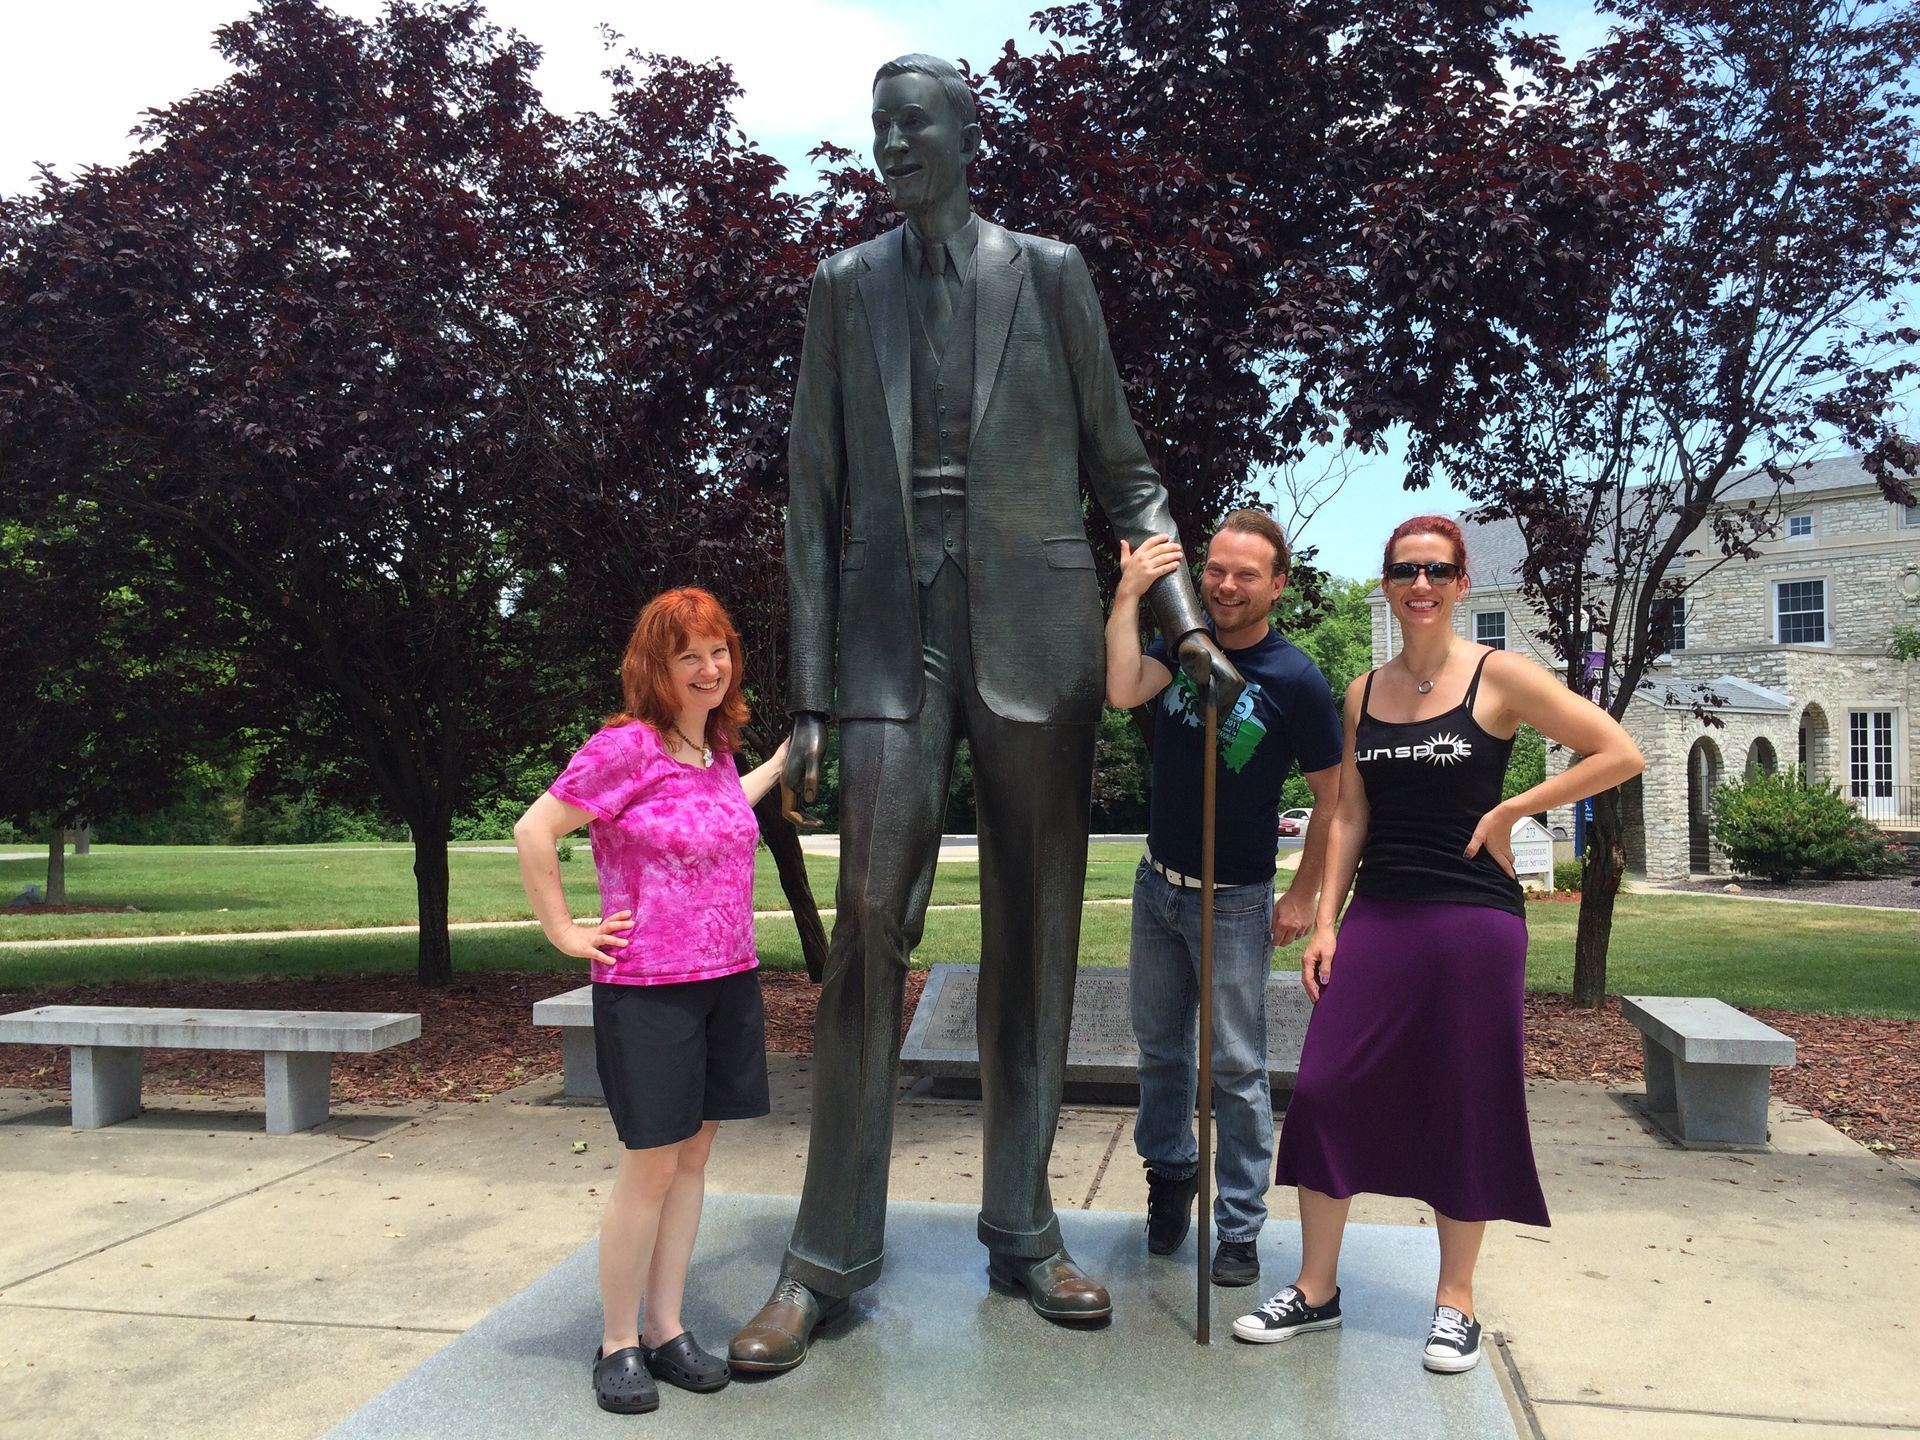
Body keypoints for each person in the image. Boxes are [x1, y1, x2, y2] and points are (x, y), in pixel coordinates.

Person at [730, 53, 1242, 1375]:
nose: (893, 143)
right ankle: (825, 1257)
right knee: (863, 934)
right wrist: (811, 696)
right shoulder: (846, 291)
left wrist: (1183, 620)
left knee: (1036, 935)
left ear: (968, 136)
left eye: (916, 124)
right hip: (895, 648)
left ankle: (1024, 1227)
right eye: (878, 127)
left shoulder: (1052, 276)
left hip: (1038, 634)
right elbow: (810, 500)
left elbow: (1124, 473)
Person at [1232, 515, 1643, 1373]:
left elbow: (1618, 750)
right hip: (1381, 913)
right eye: (1403, 570)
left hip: (1473, 923)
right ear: (1386, 582)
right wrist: (1331, 918)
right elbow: (1349, 811)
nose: (1419, 584)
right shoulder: (1361, 691)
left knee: (1465, 1099)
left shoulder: (1499, 677)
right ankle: (1316, 1289)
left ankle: (1455, 1302)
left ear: (1460, 583)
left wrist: (1513, 809)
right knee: (1329, 1087)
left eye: (1437, 571)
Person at [514, 587, 788, 1415]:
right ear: (656, 668)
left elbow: (720, 819)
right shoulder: (624, 748)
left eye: (719, 652)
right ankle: (617, 1342)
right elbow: (535, 830)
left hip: (726, 979)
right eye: (689, 657)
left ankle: (667, 1330)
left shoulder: (718, 753)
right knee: (651, 1165)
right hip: (649, 991)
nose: (709, 669)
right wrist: (565, 931)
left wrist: (781, 761)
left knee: (696, 1158)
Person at [1105, 509, 1341, 1288]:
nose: (1227, 585)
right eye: (1215, 570)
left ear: (1277, 584)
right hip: (1158, 889)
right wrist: (1131, 594)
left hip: (1237, 902)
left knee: (1237, 1068)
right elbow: (1117, 689)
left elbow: (1333, 803)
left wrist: (1305, 894)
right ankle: (1171, 1179)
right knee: (1160, 1053)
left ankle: (1239, 1225)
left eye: (1246, 574)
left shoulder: (1297, 680)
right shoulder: (1183, 647)